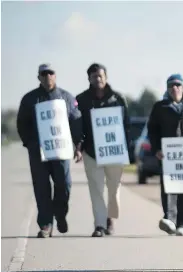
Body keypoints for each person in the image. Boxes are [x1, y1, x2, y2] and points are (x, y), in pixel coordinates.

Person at [16, 63, 83, 238]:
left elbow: (76, 122)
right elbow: (22, 123)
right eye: (43, 74)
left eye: (50, 73)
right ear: (39, 77)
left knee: (64, 185)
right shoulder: (29, 99)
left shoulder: (66, 98)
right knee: (42, 188)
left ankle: (60, 215)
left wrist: (78, 145)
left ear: (55, 75)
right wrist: (29, 143)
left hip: (61, 151)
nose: (47, 77)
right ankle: (45, 224)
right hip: (38, 152)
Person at [75, 63, 130, 237]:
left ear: (105, 77)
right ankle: (99, 225)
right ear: (89, 79)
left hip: (115, 151)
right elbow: (78, 126)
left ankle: (110, 218)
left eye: (100, 76)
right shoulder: (81, 100)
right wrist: (78, 146)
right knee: (96, 189)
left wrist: (127, 148)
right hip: (91, 152)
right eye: (93, 76)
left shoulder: (118, 98)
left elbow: (126, 126)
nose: (97, 79)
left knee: (114, 189)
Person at [147, 74, 183, 236]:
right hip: (167, 156)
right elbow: (152, 130)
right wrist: (156, 148)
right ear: (167, 89)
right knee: (168, 188)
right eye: (171, 85)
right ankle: (170, 219)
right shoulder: (160, 107)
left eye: (178, 85)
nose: (175, 88)